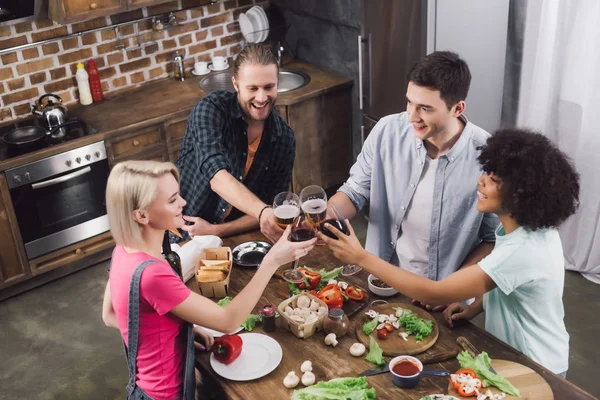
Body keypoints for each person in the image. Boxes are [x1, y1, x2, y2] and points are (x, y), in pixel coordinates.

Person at [321, 128, 579, 376]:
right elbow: (507, 284)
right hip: (518, 354)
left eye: (493, 180)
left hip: (536, 364)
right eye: (486, 173)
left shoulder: (523, 250)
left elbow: (434, 292)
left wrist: (361, 257)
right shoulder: (527, 230)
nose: (480, 181)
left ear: (522, 196)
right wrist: (475, 307)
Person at [102, 160, 316, 400]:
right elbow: (227, 321)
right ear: (141, 215)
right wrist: (272, 261)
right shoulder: (152, 274)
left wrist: (178, 332)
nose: (183, 203)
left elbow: (111, 315)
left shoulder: (122, 250)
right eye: (172, 200)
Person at [329, 51, 499, 305]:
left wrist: (452, 291)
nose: (411, 116)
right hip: (380, 283)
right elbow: (355, 191)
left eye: (425, 108)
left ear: (457, 108)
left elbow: (493, 239)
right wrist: (325, 217)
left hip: (442, 300)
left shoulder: (488, 156)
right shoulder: (387, 131)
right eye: (409, 102)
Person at [176, 44, 295, 243]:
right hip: (181, 234)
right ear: (236, 84)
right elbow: (217, 177)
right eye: (253, 88)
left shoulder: (284, 138)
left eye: (268, 87)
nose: (261, 97)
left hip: (233, 238)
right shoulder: (210, 110)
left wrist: (217, 230)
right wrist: (263, 211)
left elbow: (271, 205)